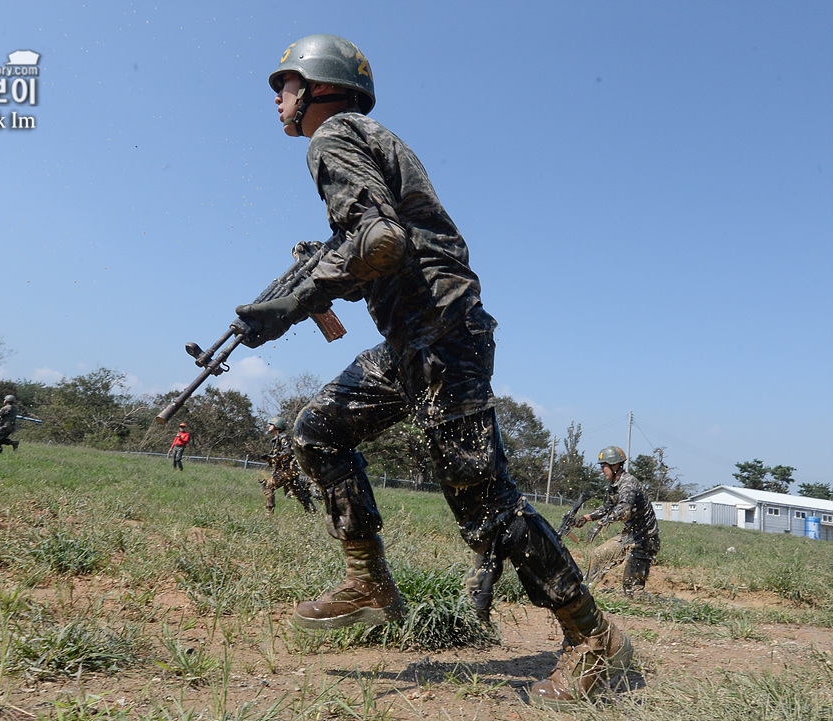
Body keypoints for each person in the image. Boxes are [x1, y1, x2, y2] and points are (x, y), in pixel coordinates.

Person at [233, 34, 632, 705]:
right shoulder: (362, 137)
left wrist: (297, 298)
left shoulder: (330, 137)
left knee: (487, 510)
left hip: (441, 334)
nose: (278, 98)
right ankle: (369, 581)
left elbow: (380, 240)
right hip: (412, 341)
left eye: (285, 84)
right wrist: (315, 271)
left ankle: (595, 637)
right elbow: (380, 249)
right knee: (316, 431)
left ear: (320, 84)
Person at [575, 446, 661, 596]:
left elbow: (624, 509)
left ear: (615, 465)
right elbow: (608, 507)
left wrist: (601, 524)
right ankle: (585, 593)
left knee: (632, 592)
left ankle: (665, 606)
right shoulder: (615, 485)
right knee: (598, 555)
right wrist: (587, 517)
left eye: (604, 466)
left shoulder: (628, 483)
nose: (602, 470)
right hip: (629, 535)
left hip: (645, 540)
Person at [263, 416, 317, 516]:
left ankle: (269, 514)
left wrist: (274, 456)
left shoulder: (283, 437)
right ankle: (313, 512)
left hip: (288, 470)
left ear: (277, 426)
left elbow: (287, 451)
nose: (269, 426)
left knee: (268, 486)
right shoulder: (276, 439)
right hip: (290, 470)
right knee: (299, 493)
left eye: (271, 424)